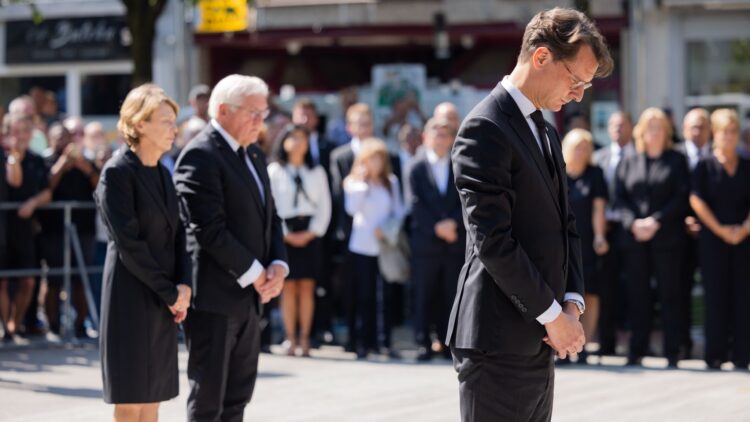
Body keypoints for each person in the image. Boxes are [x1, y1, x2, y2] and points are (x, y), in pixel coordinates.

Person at [446, 7, 612, 421]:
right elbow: (493, 241)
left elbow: (566, 225)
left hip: (538, 336)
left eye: (586, 86)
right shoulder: (485, 127)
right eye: (576, 80)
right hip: (497, 338)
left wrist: (571, 303)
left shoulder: (545, 130)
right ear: (541, 57)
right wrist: (553, 316)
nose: (578, 95)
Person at [173, 74, 288, 421]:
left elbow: (272, 216)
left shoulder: (252, 153)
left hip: (249, 297)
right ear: (222, 110)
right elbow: (208, 230)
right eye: (252, 112)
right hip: (215, 297)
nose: (260, 120)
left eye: (263, 112)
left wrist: (279, 265)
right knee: (209, 399)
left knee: (237, 397)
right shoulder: (200, 154)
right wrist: (257, 274)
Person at [94, 84, 192, 421]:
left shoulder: (164, 173)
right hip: (130, 297)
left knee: (154, 397)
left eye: (173, 121)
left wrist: (184, 287)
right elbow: (129, 245)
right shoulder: (117, 173)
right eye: (164, 121)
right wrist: (170, 293)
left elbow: (179, 234)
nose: (173, 128)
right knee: (132, 398)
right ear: (138, 125)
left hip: (163, 296)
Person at [615, 107, 690, 368]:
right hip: (634, 239)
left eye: (659, 127)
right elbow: (620, 198)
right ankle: (636, 350)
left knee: (670, 295)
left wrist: (655, 221)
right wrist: (633, 223)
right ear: (641, 132)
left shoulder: (676, 160)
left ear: (666, 132)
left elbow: (681, 197)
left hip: (667, 238)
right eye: (650, 127)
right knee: (638, 295)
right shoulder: (629, 161)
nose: (654, 132)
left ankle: (672, 351)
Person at [690, 108, 750, 371]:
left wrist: (745, 229)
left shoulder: (747, 164)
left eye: (733, 131)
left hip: (745, 239)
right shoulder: (704, 165)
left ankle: (742, 355)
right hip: (714, 240)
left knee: (744, 297)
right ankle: (714, 355)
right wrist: (721, 230)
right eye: (725, 131)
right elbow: (696, 200)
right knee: (715, 297)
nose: (729, 136)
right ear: (715, 133)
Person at [268, 124, 332, 357]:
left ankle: (305, 338)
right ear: (283, 141)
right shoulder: (275, 170)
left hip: (310, 233)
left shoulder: (316, 172)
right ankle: (290, 338)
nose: (298, 143)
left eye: (302, 138)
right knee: (287, 287)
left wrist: (312, 232)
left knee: (307, 287)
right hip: (283, 232)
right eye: (293, 138)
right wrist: (284, 233)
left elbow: (325, 205)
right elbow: (270, 205)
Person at [408, 117, 464, 361]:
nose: (440, 139)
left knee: (450, 294)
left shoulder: (460, 164)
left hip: (454, 242)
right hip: (426, 243)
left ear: (451, 139)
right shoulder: (416, 167)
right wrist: (436, 227)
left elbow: (466, 198)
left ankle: (447, 340)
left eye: (445, 134)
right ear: (425, 137)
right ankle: (423, 341)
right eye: (436, 134)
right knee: (424, 294)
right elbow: (415, 203)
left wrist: (453, 223)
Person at [343, 138, 404, 359]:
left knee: (384, 296)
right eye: (370, 159)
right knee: (363, 296)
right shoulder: (354, 183)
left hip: (384, 246)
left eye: (379, 159)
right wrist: (361, 181)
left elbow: (399, 211)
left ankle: (383, 341)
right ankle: (361, 341)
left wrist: (386, 229)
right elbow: (352, 209)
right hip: (361, 246)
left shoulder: (391, 182)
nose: (375, 164)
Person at [38, 123, 99, 337]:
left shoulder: (84, 162)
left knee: (80, 279)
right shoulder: (45, 161)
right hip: (53, 229)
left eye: (66, 137)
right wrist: (63, 164)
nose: (63, 141)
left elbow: (100, 187)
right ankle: (53, 325)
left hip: (83, 229)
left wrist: (85, 168)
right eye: (58, 137)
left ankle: (81, 325)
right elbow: (46, 186)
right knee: (54, 279)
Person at [0, 114, 51, 342]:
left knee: (28, 281)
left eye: (26, 131)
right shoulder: (4, 157)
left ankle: (15, 323)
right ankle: (6, 328)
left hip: (25, 231)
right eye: (17, 131)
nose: (21, 136)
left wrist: (33, 203)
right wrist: (14, 159)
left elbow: (47, 191)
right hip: (3, 228)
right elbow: (14, 181)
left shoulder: (37, 160)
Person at [561, 128, 609, 364]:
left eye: (585, 147)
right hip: (561, 242)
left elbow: (599, 209)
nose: (581, 151)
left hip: (587, 242)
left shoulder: (596, 174)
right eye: (577, 146)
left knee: (589, 293)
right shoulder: (558, 172)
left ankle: (583, 345)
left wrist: (600, 236)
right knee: (561, 292)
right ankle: (563, 345)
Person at [592, 111, 636, 356]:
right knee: (606, 288)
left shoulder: (639, 156)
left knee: (634, 287)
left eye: (622, 125)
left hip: (630, 230)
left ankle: (635, 344)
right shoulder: (599, 158)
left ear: (631, 128)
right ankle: (606, 344)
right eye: (613, 125)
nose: (618, 129)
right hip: (604, 231)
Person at [674, 107, 711, 359]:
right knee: (679, 291)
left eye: (702, 126)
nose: (697, 131)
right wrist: (684, 219)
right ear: (684, 129)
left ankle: (717, 343)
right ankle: (683, 344)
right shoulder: (674, 156)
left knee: (716, 291)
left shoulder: (720, 155)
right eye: (692, 126)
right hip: (679, 236)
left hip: (713, 236)